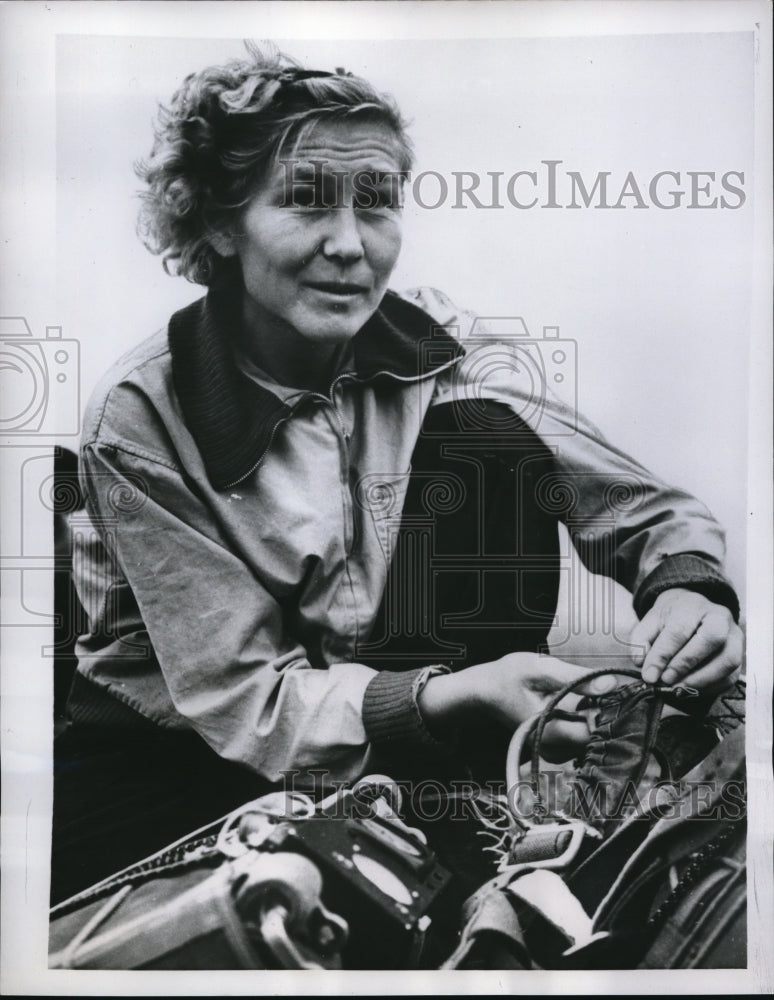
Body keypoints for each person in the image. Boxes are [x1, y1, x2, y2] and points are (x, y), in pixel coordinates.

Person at [51, 43, 742, 904]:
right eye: (305, 203)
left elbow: (636, 506)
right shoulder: (143, 413)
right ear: (220, 224)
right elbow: (241, 698)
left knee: (485, 436)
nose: (350, 244)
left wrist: (689, 592)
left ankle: (452, 821)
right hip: (187, 756)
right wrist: (455, 696)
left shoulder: (440, 352)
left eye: (376, 203)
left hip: (405, 717)